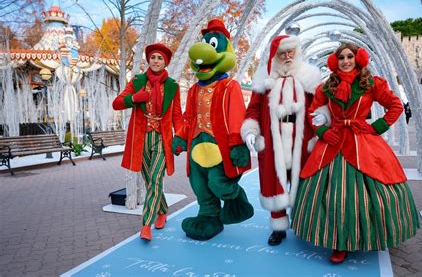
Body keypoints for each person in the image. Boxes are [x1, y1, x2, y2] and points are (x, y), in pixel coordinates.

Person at [291, 43, 419, 263]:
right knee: (332, 194)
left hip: (362, 141)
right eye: (341, 57)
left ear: (358, 59)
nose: (346, 61)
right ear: (335, 61)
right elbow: (312, 111)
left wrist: (377, 127)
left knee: (372, 189)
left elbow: (395, 105)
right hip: (333, 141)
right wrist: (322, 130)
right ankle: (339, 243)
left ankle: (367, 236)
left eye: (350, 56)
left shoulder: (370, 84)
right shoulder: (326, 87)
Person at [241, 35, 329, 246]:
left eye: (291, 52)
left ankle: (303, 223)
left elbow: (321, 104)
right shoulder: (264, 80)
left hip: (303, 139)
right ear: (276, 56)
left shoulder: (309, 78)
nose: (288, 57)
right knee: (275, 183)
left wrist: (323, 116)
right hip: (273, 140)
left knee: (304, 182)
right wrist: (251, 130)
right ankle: (278, 228)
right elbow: (253, 108)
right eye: (283, 53)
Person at [172, 19, 254, 241]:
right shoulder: (192, 92)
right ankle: (209, 216)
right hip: (197, 146)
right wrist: (179, 136)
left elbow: (237, 116)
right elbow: (189, 118)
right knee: (200, 185)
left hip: (221, 147)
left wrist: (238, 144)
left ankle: (236, 199)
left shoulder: (230, 86)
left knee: (219, 183)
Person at [112, 43, 183, 241]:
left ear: (165, 62)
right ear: (148, 60)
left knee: (155, 179)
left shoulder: (173, 86)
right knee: (149, 179)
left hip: (162, 137)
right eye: (153, 57)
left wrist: (180, 137)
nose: (156, 61)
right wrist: (134, 98)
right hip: (140, 139)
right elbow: (116, 103)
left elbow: (177, 115)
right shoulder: (137, 81)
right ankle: (162, 211)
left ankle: (146, 225)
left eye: (160, 58)